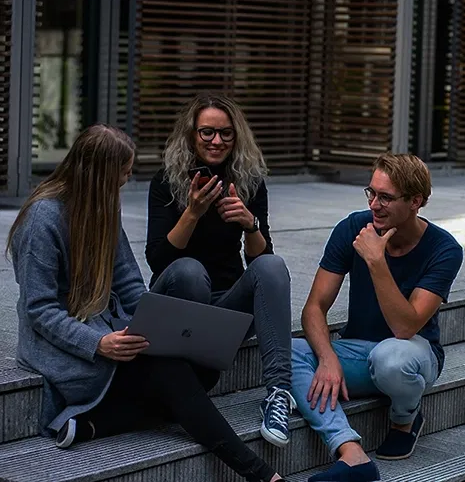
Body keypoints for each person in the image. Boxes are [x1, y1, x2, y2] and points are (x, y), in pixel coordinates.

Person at [7, 125, 286, 482]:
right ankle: (259, 473)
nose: (125, 184)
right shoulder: (42, 219)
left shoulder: (103, 208)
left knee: (204, 370)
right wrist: (98, 343)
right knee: (171, 374)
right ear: (99, 175)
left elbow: (129, 284)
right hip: (68, 350)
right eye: (121, 176)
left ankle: (96, 422)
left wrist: (155, 326)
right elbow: (40, 309)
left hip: (112, 333)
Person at [291, 153, 464, 482]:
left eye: (385, 197)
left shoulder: (444, 249)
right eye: (371, 193)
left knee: (391, 358)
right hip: (356, 351)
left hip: (412, 354)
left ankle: (405, 418)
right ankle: (350, 453)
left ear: (416, 201)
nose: (374, 204)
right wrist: (327, 358)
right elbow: (314, 307)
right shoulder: (352, 228)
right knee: (286, 352)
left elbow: (405, 326)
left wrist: (376, 261)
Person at [145, 92, 295, 447]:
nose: (216, 141)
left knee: (273, 266)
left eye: (226, 133)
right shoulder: (166, 181)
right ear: (192, 134)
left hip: (225, 308)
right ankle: (189, 381)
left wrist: (250, 223)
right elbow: (158, 261)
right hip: (178, 301)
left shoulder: (249, 180)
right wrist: (193, 212)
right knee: (189, 271)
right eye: (207, 132)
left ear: (237, 136)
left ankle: (278, 395)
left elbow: (261, 262)